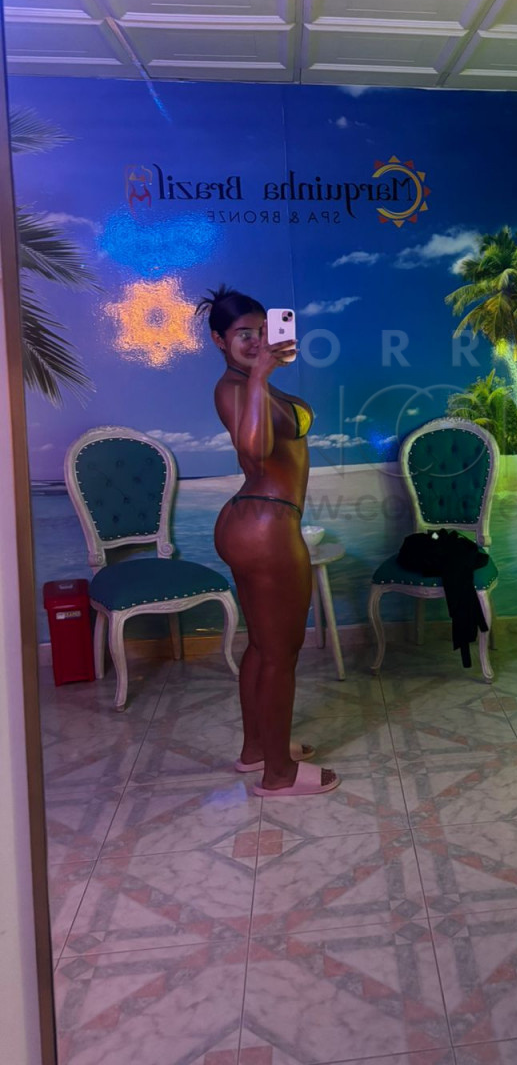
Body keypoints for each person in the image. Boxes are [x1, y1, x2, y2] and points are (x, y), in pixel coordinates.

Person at [196, 285, 340, 797]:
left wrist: (262, 375)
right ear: (219, 340)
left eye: (262, 331)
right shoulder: (233, 388)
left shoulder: (251, 383)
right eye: (244, 335)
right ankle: (279, 775)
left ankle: (257, 749)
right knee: (282, 652)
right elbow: (255, 455)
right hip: (266, 527)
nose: (257, 342)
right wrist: (260, 374)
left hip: (256, 521)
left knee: (263, 645)